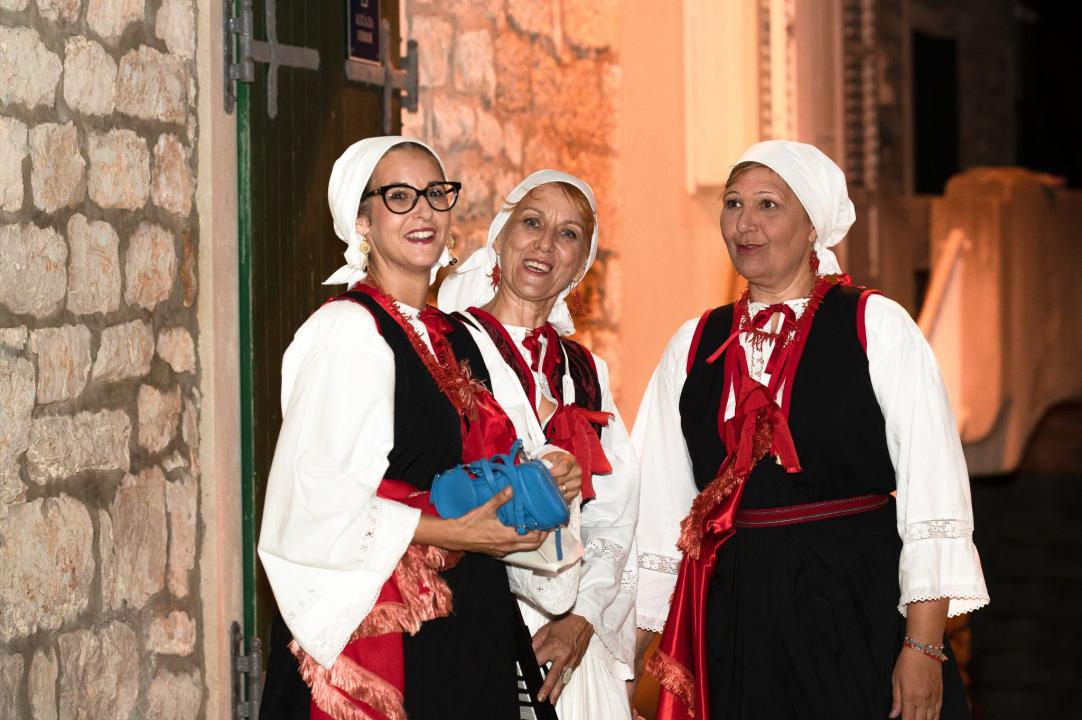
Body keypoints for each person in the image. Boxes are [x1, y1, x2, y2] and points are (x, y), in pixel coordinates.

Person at [632, 140, 989, 720]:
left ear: (811, 228)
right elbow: (656, 519)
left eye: (768, 204)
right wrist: (624, 667)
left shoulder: (876, 324)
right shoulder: (693, 345)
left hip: (857, 607)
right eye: (733, 203)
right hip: (739, 618)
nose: (744, 223)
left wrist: (922, 647)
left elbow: (932, 494)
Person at [257, 137, 583, 720]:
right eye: (399, 197)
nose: (425, 211)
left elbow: (480, 462)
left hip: (466, 621)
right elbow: (320, 503)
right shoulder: (347, 332)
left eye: (435, 193)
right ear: (362, 219)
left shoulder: (453, 335)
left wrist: (541, 475)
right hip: (392, 625)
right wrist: (459, 532)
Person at [439, 171, 640, 720]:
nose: (546, 244)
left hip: (572, 641)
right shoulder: (447, 348)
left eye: (569, 234)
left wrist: (583, 617)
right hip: (474, 616)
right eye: (532, 222)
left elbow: (616, 515)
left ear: (581, 265)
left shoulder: (585, 371)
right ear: (500, 240)